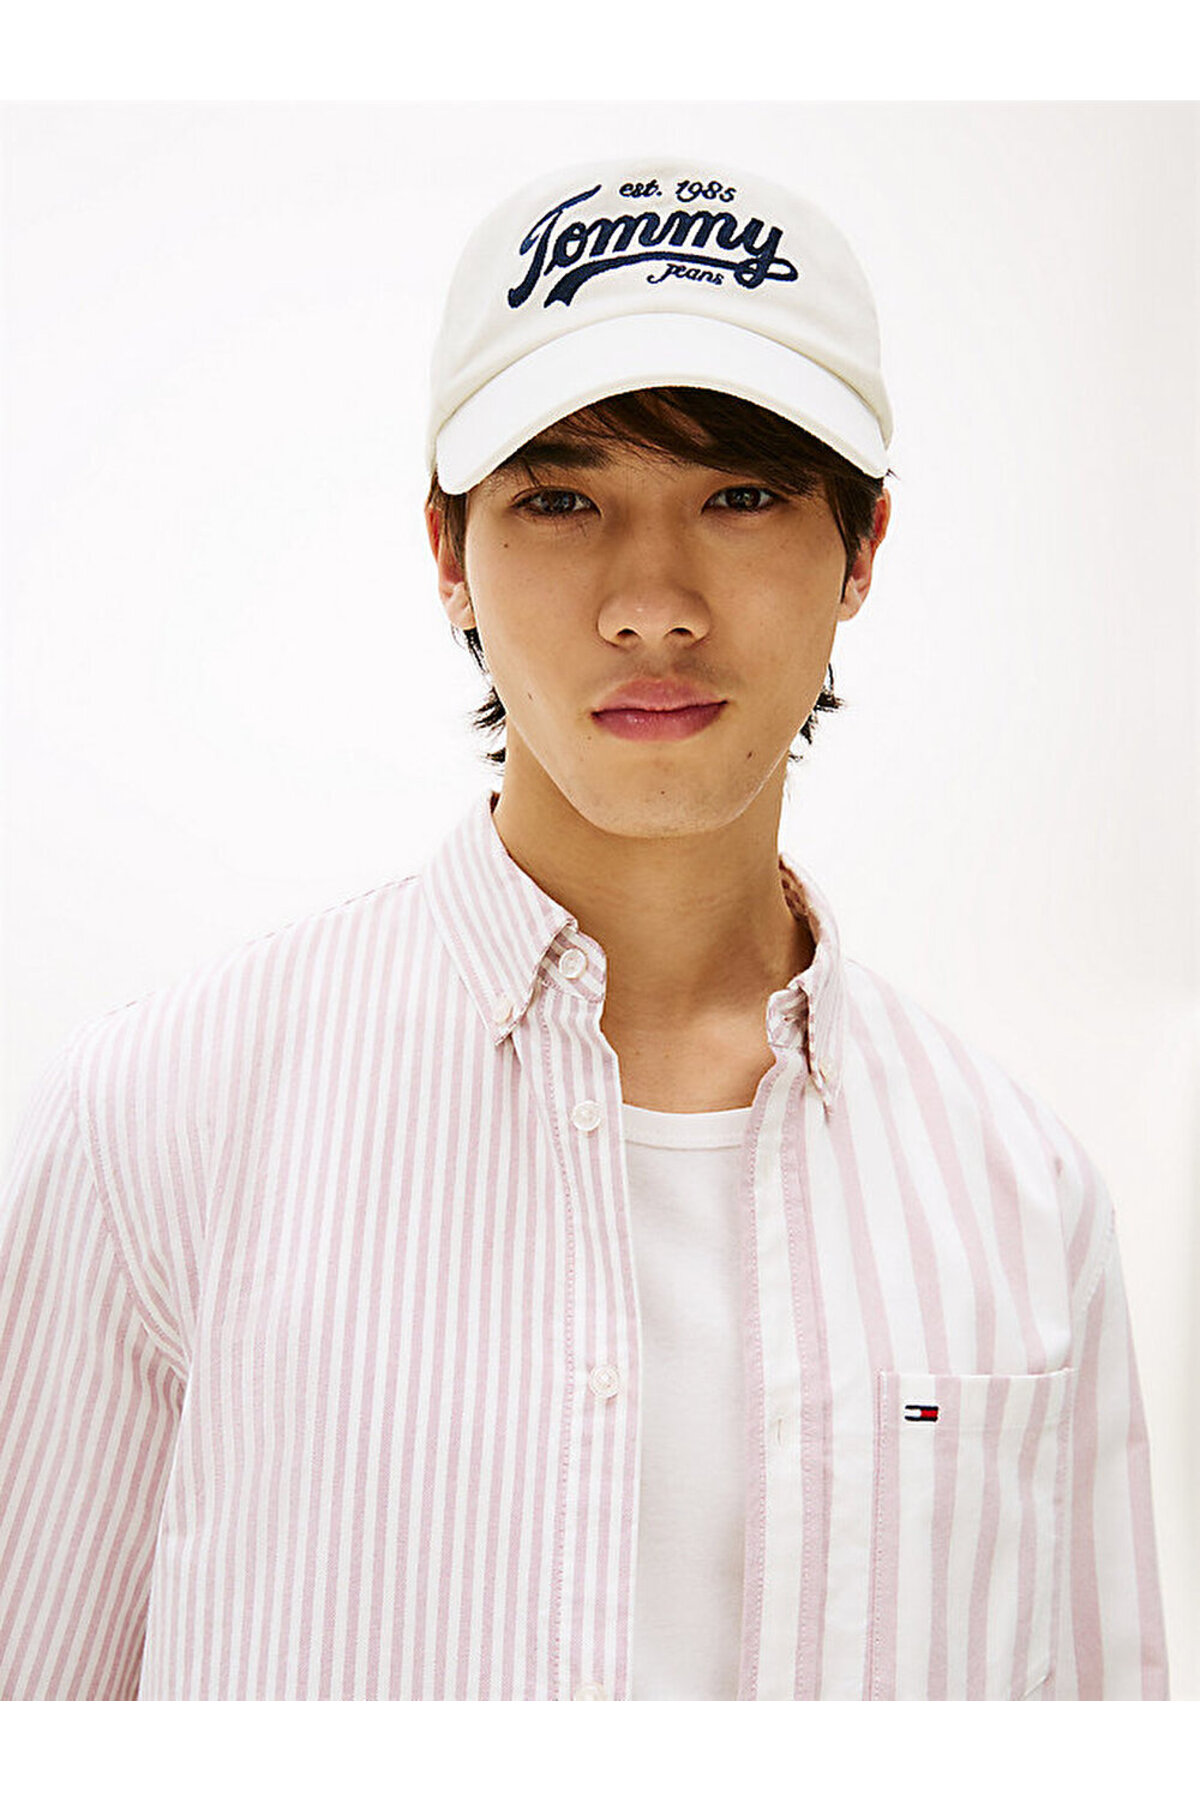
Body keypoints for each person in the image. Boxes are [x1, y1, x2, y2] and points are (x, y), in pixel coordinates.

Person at [0, 155, 1168, 1702]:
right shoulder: (164, 1123)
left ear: (864, 548)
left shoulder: (1018, 1194)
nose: (652, 603)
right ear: (449, 556)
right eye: (561, 499)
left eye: (741, 494)